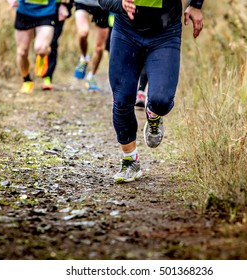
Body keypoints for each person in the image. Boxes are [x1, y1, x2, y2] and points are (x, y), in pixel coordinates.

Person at [98, 0, 204, 183]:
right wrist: (119, 4)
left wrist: (195, 5)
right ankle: (130, 160)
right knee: (122, 100)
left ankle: (153, 114)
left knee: (161, 101)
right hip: (126, 32)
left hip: (165, 33)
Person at [8, 0, 70, 94]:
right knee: (22, 52)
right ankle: (27, 80)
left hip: (47, 12)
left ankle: (42, 56)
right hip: (24, 12)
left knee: (41, 49)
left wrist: (64, 5)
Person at [73, 0, 110, 92]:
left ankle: (91, 76)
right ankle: (84, 58)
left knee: (99, 48)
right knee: (83, 33)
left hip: (103, 5)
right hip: (83, 2)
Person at [42, 0, 75, 90]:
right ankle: (41, 67)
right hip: (39, 7)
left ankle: (47, 76)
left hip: (57, 8)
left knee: (52, 41)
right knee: (40, 41)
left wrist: (66, 5)